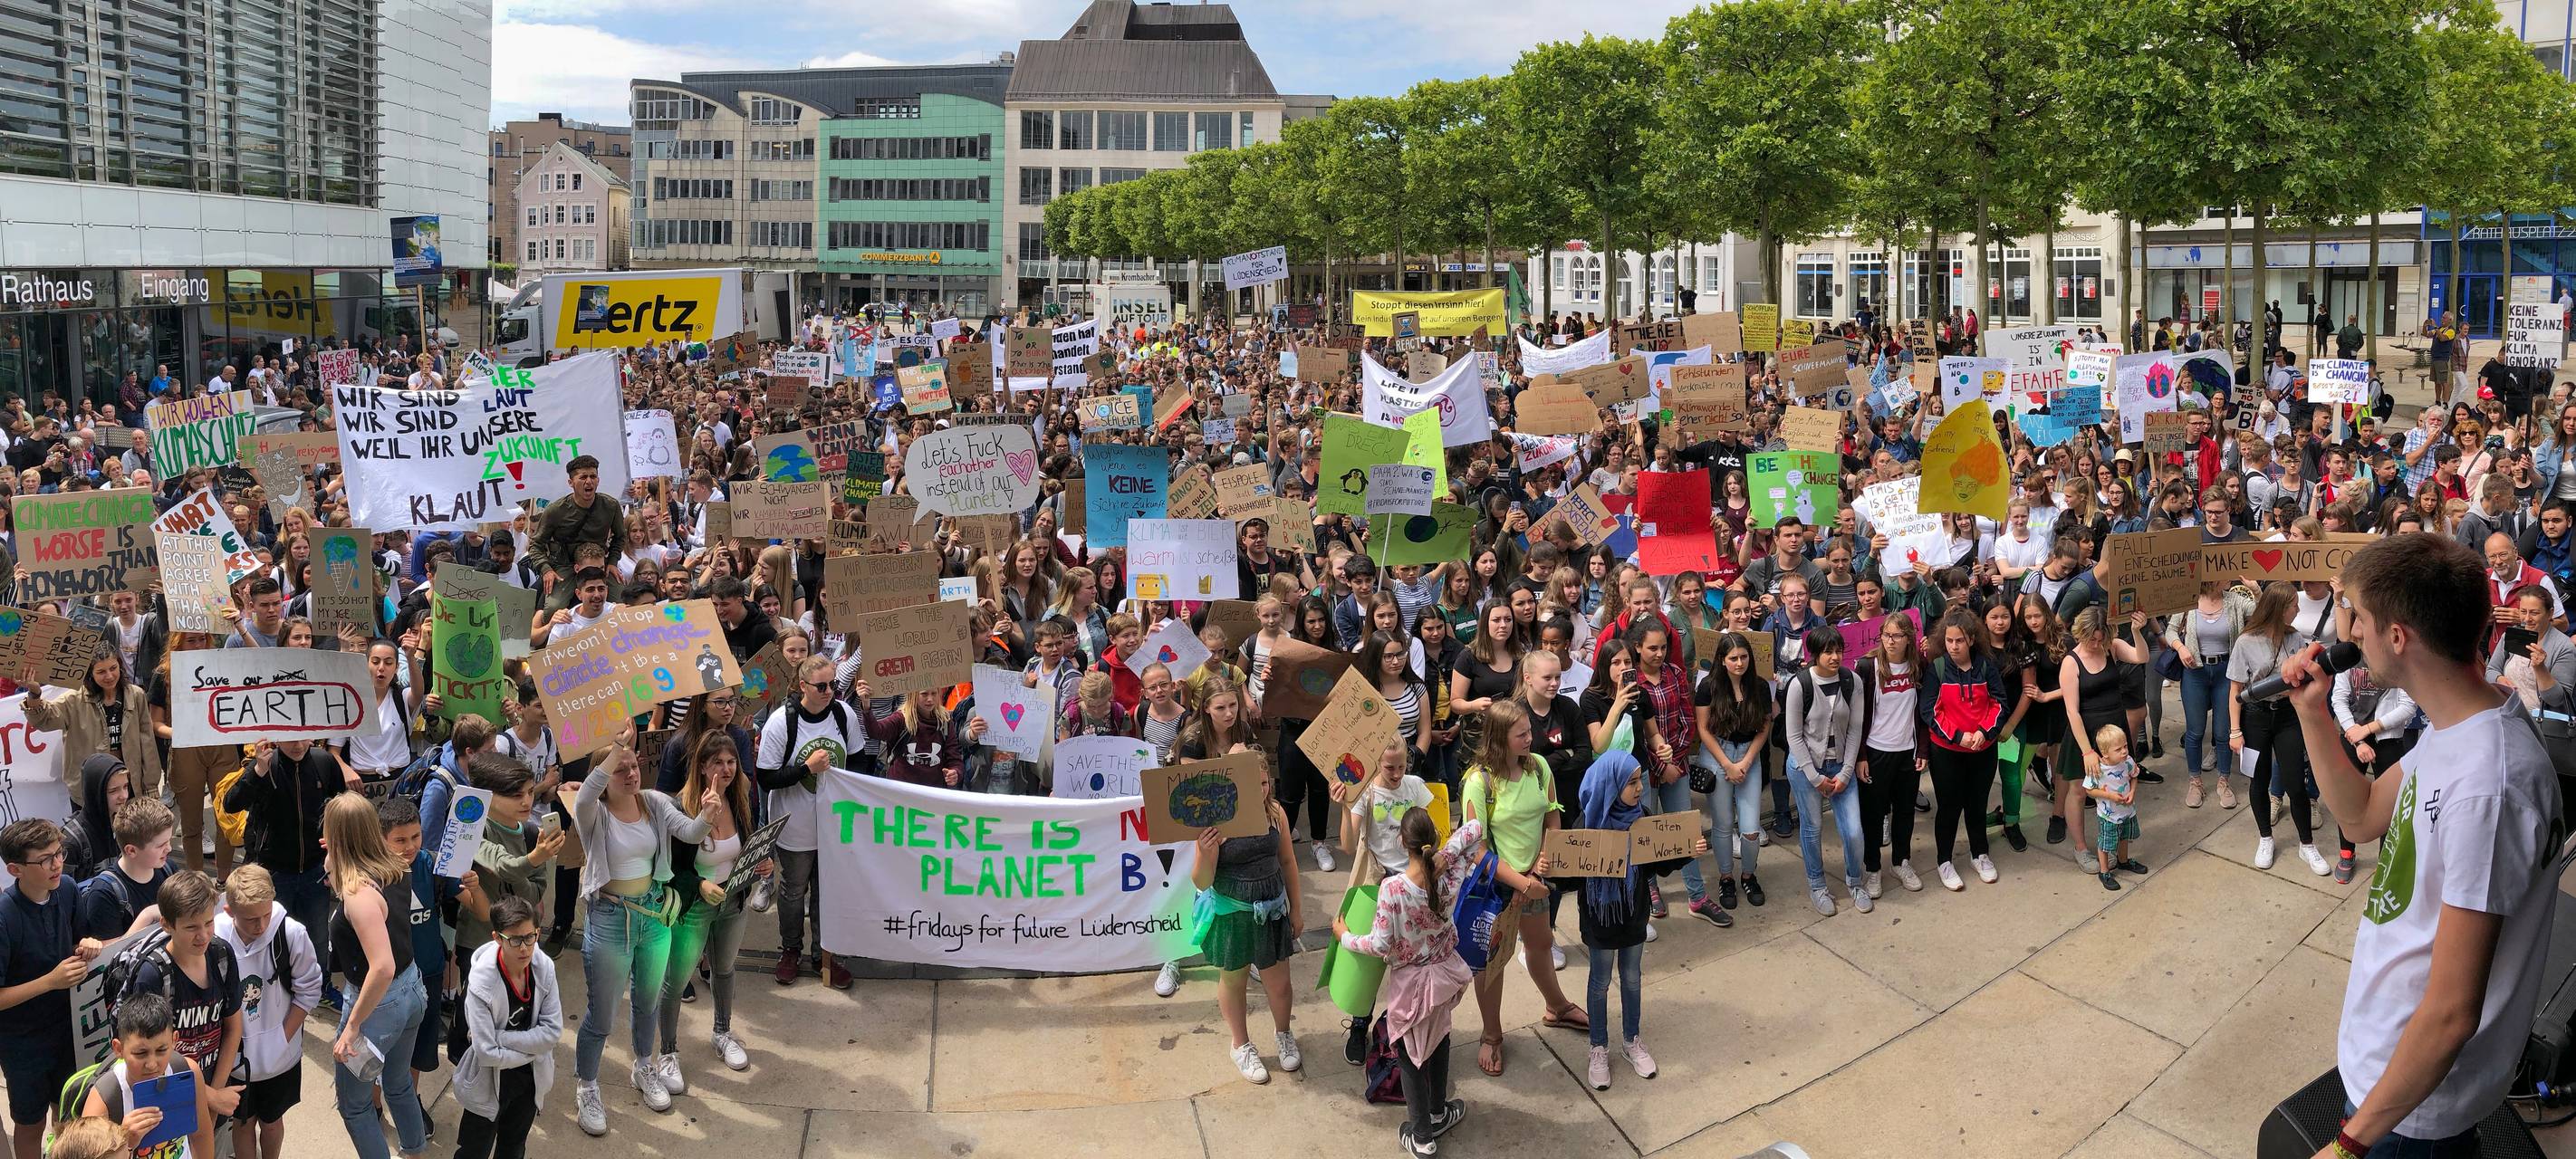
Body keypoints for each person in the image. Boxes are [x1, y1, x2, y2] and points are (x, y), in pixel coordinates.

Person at [2279, 532, 2562, 1156]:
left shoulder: (2490, 787)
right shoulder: (2456, 725)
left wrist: (2351, 1144)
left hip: (2413, 1112)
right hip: (2388, 1074)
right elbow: (2360, 817)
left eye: (2355, 613)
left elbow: (2452, 1011)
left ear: (2398, 635)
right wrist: (2312, 713)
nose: (2345, 629)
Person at [567, 742, 716, 1135]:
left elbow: (688, 831)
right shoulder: (593, 812)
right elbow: (583, 794)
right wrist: (611, 751)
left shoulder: (652, 801)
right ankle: (587, 1087)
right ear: (605, 777)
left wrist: (707, 816)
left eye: (634, 766)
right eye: (621, 769)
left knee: (647, 1003)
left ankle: (643, 1067)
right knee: (601, 1015)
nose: (632, 774)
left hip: (652, 916)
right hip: (611, 918)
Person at [1538, 751, 1706, 1091]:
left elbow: (1658, 863)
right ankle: (1598, 1047)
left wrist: (1690, 849)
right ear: (1609, 785)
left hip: (1633, 915)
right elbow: (1571, 877)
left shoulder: (1642, 817)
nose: (1639, 787)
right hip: (1599, 920)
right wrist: (1549, 871)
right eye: (1631, 782)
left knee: (1631, 978)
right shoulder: (1586, 824)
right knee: (1599, 981)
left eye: (1640, 780)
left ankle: (1632, 1041)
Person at [1331, 806, 1479, 1158]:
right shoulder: (1448, 875)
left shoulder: (1392, 888)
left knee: (1410, 1053)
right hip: (1445, 975)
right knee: (1440, 1037)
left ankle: (1422, 1135)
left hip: (1411, 986)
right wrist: (1445, 856)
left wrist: (1345, 937)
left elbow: (1380, 945)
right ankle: (1439, 1111)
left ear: (1402, 842)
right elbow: (1473, 829)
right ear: (1434, 840)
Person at [1462, 701, 1583, 1078]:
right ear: (1499, 739)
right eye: (1522, 735)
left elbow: (1552, 814)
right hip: (1497, 891)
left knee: (1541, 944)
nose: (1532, 739)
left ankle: (1556, 1006)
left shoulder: (1540, 766)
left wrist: (1544, 861)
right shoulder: (1478, 781)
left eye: (1530, 731)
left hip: (1536, 881)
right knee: (1492, 963)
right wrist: (1520, 882)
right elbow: (1474, 848)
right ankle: (1491, 1034)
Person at [320, 791, 430, 1159]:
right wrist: (337, 851)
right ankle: (414, 1151)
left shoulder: (359, 895)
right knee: (398, 1083)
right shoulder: (394, 865)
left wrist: (352, 1026)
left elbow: (380, 967)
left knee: (354, 1105)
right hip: (412, 989)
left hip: (379, 1005)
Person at [653, 731, 765, 1091]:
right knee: (676, 980)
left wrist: (762, 865)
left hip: (732, 903)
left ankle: (722, 1032)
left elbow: (748, 846)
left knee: (725, 969)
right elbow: (670, 868)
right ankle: (668, 1052)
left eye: (731, 761)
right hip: (694, 910)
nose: (727, 768)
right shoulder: (681, 808)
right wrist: (700, 885)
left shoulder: (743, 800)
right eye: (718, 762)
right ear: (702, 767)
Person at [1186, 757, 1302, 1085]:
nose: (1259, 790)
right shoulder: (1215, 820)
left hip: (1272, 912)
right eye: (1252, 784)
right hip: (1232, 915)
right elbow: (1200, 881)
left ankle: (1284, 1033)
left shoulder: (1275, 812)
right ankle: (1240, 1044)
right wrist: (1207, 850)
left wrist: (1296, 909)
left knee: (1279, 985)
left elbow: (1288, 861)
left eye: (1264, 783)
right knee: (1233, 980)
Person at [754, 655, 863, 991]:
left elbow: (858, 761)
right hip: (797, 829)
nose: (830, 691)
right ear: (803, 686)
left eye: (834, 684)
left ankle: (824, 956)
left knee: (827, 892)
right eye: (821, 686)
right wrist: (806, 769)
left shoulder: (844, 715)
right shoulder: (781, 723)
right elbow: (766, 777)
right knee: (793, 891)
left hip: (834, 827)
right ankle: (790, 949)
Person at [0, 818, 102, 1159]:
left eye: (59, 853)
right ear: (15, 869)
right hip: (22, 1042)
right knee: (30, 1125)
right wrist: (49, 982)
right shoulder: (5, 916)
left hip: (68, 1029)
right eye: (45, 859)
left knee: (69, 1113)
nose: (57, 864)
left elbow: (78, 940)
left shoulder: (69, 890)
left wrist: (87, 945)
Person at [215, 864, 323, 1159]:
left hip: (280, 1060)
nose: (261, 926)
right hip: (235, 1059)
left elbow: (310, 989)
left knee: (272, 1122)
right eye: (250, 919)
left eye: (266, 915)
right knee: (242, 1122)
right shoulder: (215, 939)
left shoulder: (290, 933)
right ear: (228, 911)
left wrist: (282, 1038)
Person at [2225, 585, 2331, 876]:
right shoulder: (2246, 642)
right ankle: (2265, 838)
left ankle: (2306, 844)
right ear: (2280, 608)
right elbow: (2235, 689)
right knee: (2258, 781)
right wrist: (2235, 731)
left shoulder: (2296, 638)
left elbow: (2305, 678)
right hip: (2255, 717)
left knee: (2295, 781)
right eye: (2294, 604)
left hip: (2287, 716)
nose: (2298, 609)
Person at [451, 896, 562, 1159]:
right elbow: (487, 1053)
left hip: (529, 1080)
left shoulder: (544, 967)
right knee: (474, 1151)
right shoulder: (481, 984)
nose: (524, 948)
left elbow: (553, 1032)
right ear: (497, 938)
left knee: (513, 1148)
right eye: (514, 940)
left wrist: (502, 1038)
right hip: (488, 1081)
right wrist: (534, 1049)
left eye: (530, 937)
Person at [1918, 609, 2015, 891]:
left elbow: (2000, 704)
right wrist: (1959, 737)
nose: (1953, 647)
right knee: (1948, 807)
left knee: (1976, 803)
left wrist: (1983, 733)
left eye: (1959, 640)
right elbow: (1930, 711)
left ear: (1971, 640)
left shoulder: (1986, 667)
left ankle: (1979, 854)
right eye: (1949, 641)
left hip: (1983, 752)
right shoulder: (1937, 669)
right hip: (1947, 753)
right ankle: (1944, 860)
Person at [1783, 627, 1869, 915]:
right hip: (1807, 768)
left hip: (1840, 765)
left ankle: (1855, 881)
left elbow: (1856, 728)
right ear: (1814, 655)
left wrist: (1846, 773)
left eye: (1838, 650)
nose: (1834, 657)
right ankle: (1817, 885)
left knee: (1854, 832)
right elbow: (1793, 736)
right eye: (1827, 652)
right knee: (1812, 828)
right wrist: (1814, 777)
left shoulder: (1852, 680)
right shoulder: (1800, 684)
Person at [80, 992, 216, 1159]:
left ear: (174, 1040)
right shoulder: (105, 1098)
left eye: (161, 1050)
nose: (152, 1064)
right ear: (118, 1049)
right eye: (140, 1053)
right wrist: (124, 1142)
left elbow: (201, 1136)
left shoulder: (187, 1071)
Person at [1694, 632, 1774, 907]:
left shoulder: (1759, 686)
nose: (1740, 663)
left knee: (1751, 828)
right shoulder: (1708, 687)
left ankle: (1749, 875)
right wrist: (1727, 764)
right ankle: (1726, 877)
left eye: (1744, 657)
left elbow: (1764, 727)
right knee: (1724, 823)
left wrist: (1747, 761)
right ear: (1722, 660)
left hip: (1749, 755)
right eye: (1733, 658)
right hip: (1717, 754)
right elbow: (1703, 730)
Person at [2081, 725, 2149, 890]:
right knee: (2106, 843)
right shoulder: (2097, 769)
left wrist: (2132, 791)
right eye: (2118, 749)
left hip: (2127, 811)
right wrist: (2109, 796)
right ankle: (2104, 871)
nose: (2124, 751)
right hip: (2108, 815)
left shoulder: (2128, 762)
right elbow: (2088, 790)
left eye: (2125, 746)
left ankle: (2123, 861)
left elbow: (2134, 777)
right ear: (2105, 753)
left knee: (2124, 836)